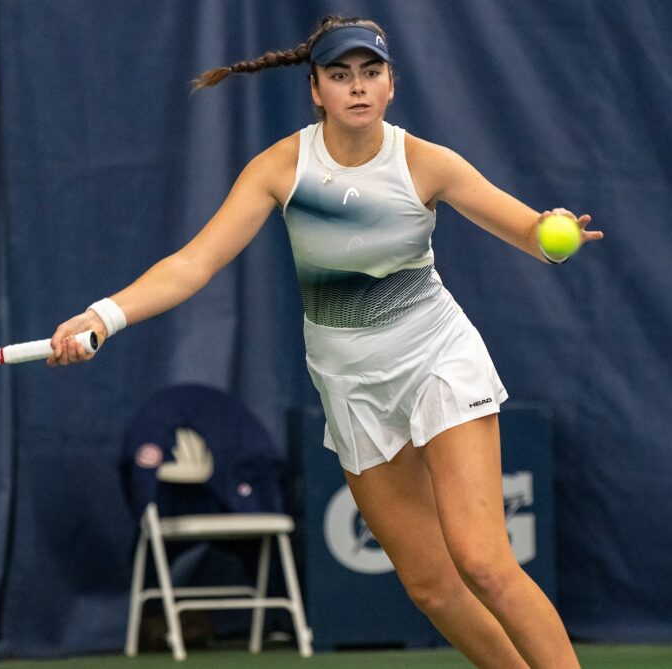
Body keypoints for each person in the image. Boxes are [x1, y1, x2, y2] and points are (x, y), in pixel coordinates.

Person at [48, 15, 602, 668]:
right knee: (429, 584)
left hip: (436, 363)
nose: (357, 87)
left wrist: (552, 230)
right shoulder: (281, 167)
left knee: (482, 559)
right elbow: (194, 263)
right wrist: (102, 315)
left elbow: (528, 230)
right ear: (316, 90)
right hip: (352, 389)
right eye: (340, 75)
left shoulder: (427, 164)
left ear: (391, 84)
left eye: (371, 73)